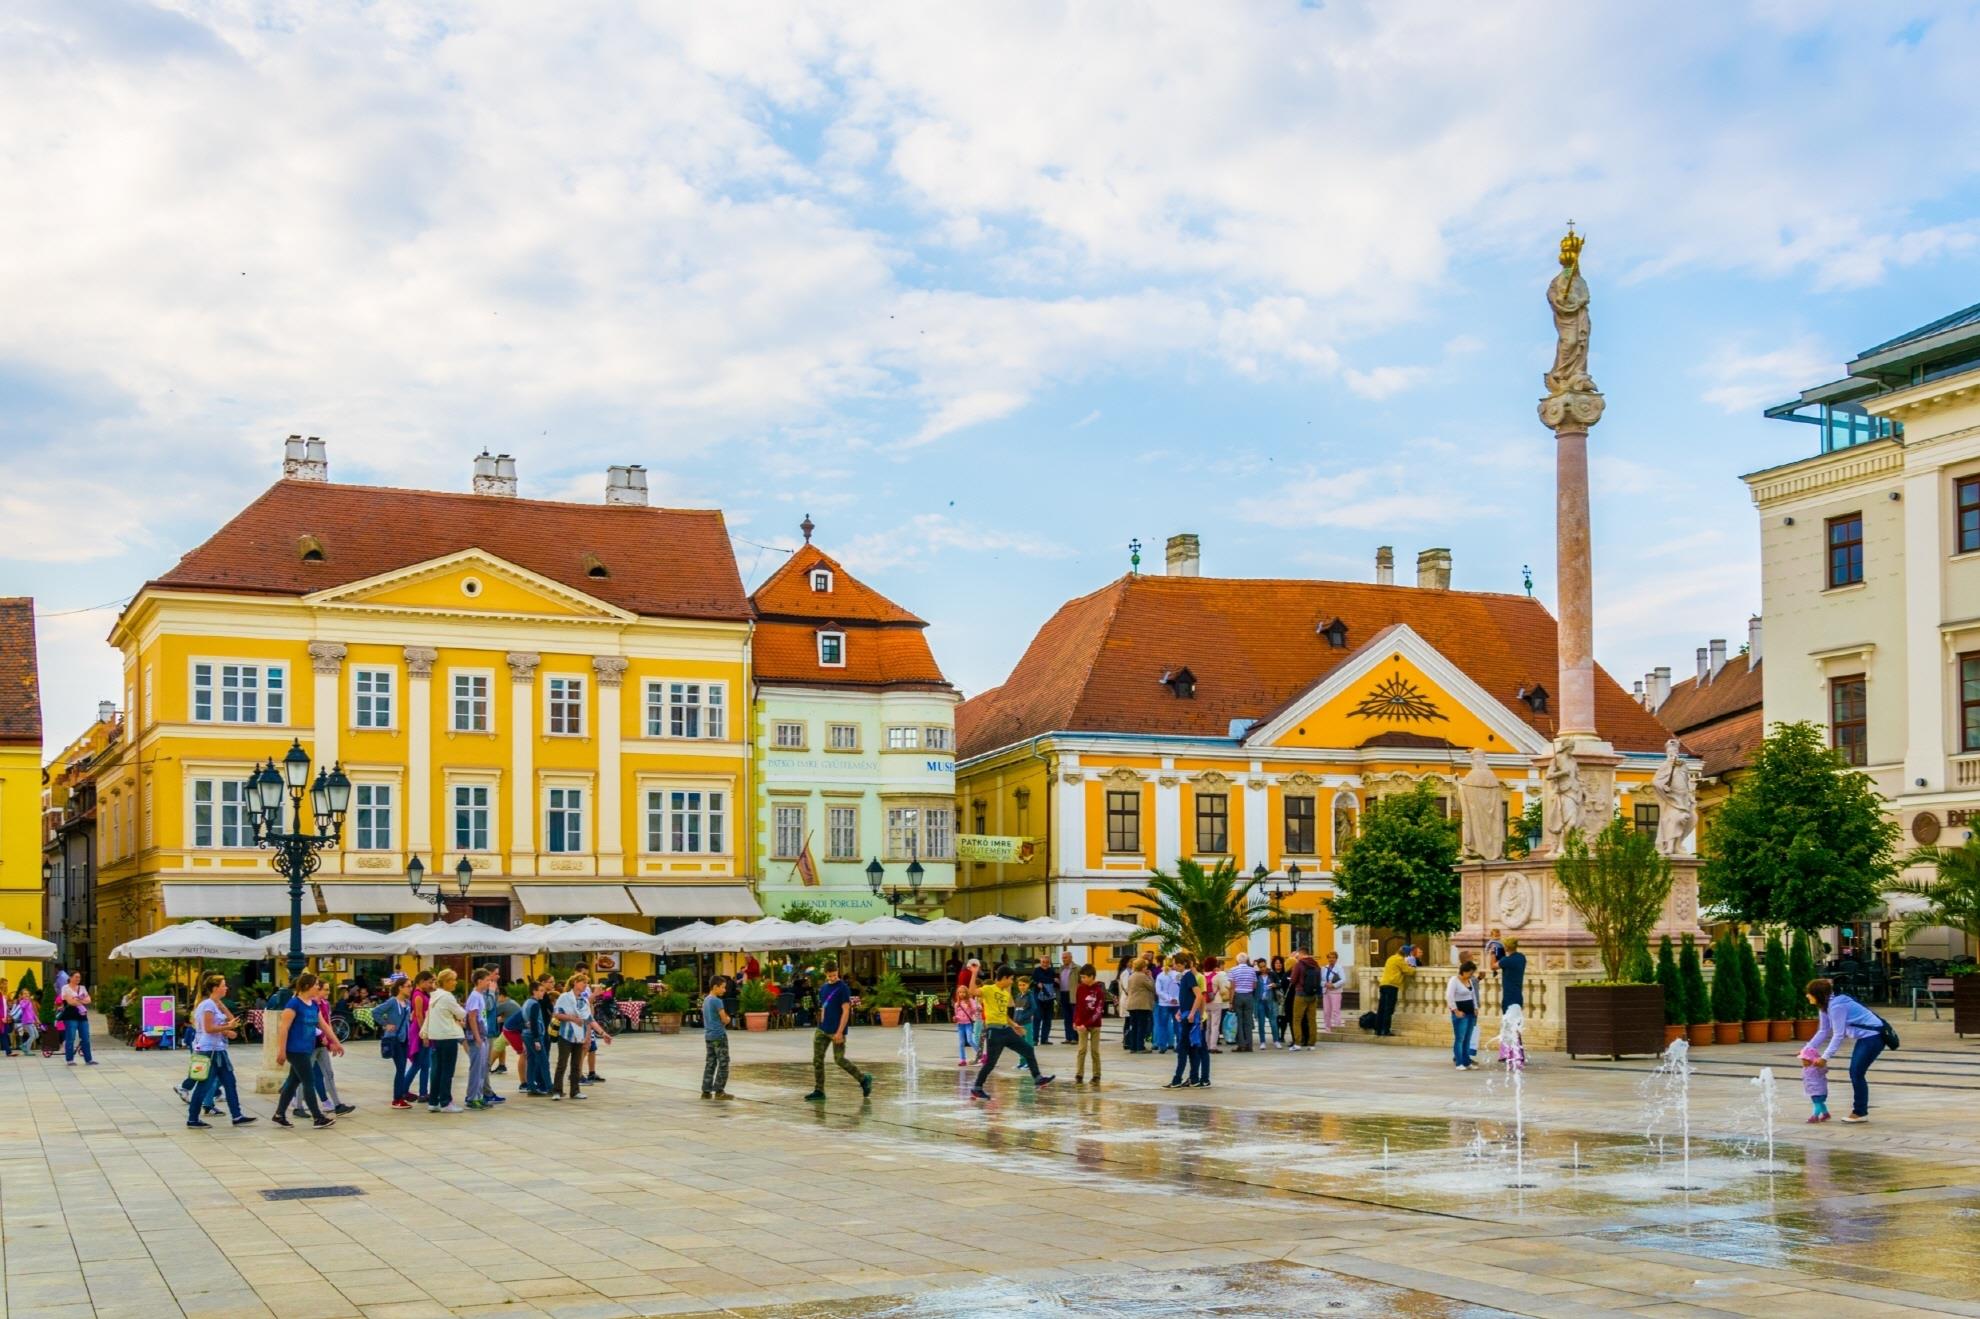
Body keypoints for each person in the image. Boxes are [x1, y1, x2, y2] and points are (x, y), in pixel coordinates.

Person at [1806, 977, 1887, 1123]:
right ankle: (1860, 1111)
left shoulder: (1836, 1006)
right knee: (1856, 1072)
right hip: (1866, 1038)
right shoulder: (1824, 1006)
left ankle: (1860, 1112)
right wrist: (1807, 1049)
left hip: (1874, 1037)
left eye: (1809, 993)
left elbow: (1838, 1034)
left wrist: (1825, 1057)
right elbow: (1823, 1031)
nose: (1807, 995)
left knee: (1856, 1072)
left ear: (1817, 994)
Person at [970, 965, 1052, 1099]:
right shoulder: (988, 989)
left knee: (1028, 1049)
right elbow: (972, 991)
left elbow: (1003, 1015)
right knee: (990, 1063)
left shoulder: (1005, 993)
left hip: (1006, 1030)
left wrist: (1014, 1025)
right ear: (1004, 978)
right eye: (1011, 979)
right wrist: (974, 973)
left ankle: (1038, 1078)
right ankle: (977, 1087)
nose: (1012, 982)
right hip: (994, 1031)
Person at [186, 973, 254, 1128]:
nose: (227, 988)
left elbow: (232, 1021)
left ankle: (237, 1115)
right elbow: (208, 1028)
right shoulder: (207, 1005)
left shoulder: (215, 1004)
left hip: (219, 1050)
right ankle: (192, 1118)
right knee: (204, 1085)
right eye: (224, 985)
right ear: (215, 988)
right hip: (209, 1051)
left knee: (230, 1082)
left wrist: (224, 1016)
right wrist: (227, 1028)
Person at [805, 962, 872, 1102]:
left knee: (839, 1059)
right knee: (817, 1060)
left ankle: (863, 1079)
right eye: (830, 975)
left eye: (834, 975)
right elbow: (824, 1006)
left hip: (837, 1030)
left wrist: (840, 1032)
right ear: (826, 974)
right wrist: (821, 1020)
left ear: (838, 972)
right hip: (822, 1029)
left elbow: (846, 1010)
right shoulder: (823, 988)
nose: (833, 978)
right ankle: (819, 1090)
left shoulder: (843, 988)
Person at [273, 973, 333, 1128]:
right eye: (316, 985)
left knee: (293, 1082)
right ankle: (318, 1117)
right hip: (295, 1050)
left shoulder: (313, 1005)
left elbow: (324, 1025)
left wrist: (336, 1042)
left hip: (306, 1048)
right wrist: (281, 1051)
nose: (318, 988)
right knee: (309, 1081)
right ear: (307, 986)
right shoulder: (293, 1004)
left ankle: (279, 1114)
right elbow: (283, 1029)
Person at [423, 967, 468, 1113]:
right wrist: (460, 1010)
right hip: (448, 1036)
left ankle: (433, 1101)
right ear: (447, 982)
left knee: (436, 1070)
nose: (455, 983)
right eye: (454, 980)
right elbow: (461, 1013)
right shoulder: (447, 996)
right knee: (447, 1071)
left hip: (436, 1036)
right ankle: (446, 1102)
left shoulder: (434, 996)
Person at [306, 979, 353, 1117]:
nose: (328, 992)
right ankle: (298, 1105)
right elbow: (313, 1024)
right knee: (303, 1076)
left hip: (322, 1044)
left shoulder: (325, 1004)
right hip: (312, 1044)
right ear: (318, 990)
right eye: (325, 989)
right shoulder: (311, 1004)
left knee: (328, 1074)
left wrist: (332, 1041)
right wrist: (324, 1038)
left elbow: (327, 1024)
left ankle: (337, 1104)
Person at [1165, 953, 1208, 1088]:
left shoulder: (1188, 976)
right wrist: (1181, 1010)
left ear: (1182, 964)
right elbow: (1187, 997)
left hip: (1189, 1017)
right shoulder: (1185, 977)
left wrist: (1192, 1013)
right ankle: (1194, 1078)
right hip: (1186, 1014)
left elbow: (1199, 996)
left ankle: (1177, 1079)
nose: (1174, 966)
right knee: (1192, 1048)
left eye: (1176, 964)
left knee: (1182, 1048)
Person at [462, 966, 500, 1110]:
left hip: (482, 1036)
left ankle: (479, 1096)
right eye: (487, 980)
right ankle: (472, 1097)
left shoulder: (480, 996)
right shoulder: (474, 996)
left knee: (482, 1068)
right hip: (476, 1037)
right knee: (476, 1068)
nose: (489, 983)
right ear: (479, 981)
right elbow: (472, 1017)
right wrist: (477, 1037)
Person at [552, 972, 593, 1101]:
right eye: (583, 982)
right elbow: (557, 1014)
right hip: (566, 1034)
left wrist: (587, 1037)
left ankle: (575, 1091)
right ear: (575, 983)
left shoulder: (583, 1000)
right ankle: (557, 1090)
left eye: (586, 983)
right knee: (562, 1063)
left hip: (579, 1036)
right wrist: (571, 1018)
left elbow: (588, 1020)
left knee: (577, 1064)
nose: (585, 985)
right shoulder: (564, 997)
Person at [377, 977, 414, 1108]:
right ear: (400, 988)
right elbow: (376, 1012)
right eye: (408, 986)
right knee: (400, 1068)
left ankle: (400, 1095)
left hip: (404, 1039)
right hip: (394, 1038)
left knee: (402, 1068)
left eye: (411, 986)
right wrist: (386, 1024)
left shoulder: (408, 1003)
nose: (410, 988)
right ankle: (397, 1098)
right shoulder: (392, 1002)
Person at [520, 974, 555, 1096]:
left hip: (526, 1034)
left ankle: (531, 1087)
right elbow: (534, 1022)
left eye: (543, 991)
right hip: (534, 1036)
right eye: (540, 991)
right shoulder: (535, 1004)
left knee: (531, 1061)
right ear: (534, 991)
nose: (542, 993)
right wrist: (536, 1039)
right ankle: (550, 1087)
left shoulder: (527, 1002)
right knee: (544, 1061)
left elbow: (524, 1019)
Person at [1072, 964, 1107, 1084]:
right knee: (1082, 1049)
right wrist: (1076, 1021)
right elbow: (1078, 1006)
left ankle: (1096, 1074)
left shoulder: (1099, 991)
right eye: (1081, 977)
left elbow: (1098, 1011)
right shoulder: (1080, 988)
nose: (1083, 980)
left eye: (1085, 977)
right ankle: (1079, 1074)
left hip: (1094, 1024)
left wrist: (1085, 1024)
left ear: (1092, 977)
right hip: (1081, 1024)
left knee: (1094, 1051)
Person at [702, 974, 734, 1100]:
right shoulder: (717, 1001)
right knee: (723, 1062)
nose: (724, 990)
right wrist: (728, 1019)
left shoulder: (706, 1000)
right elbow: (724, 1019)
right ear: (715, 987)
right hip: (719, 1036)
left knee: (710, 1062)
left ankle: (706, 1090)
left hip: (709, 1036)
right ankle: (719, 1091)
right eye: (723, 987)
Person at [1376, 944, 1415, 1037]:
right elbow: (1409, 971)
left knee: (1381, 1008)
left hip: (1383, 984)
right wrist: (1413, 968)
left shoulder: (1391, 958)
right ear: (1406, 954)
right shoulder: (1400, 960)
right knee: (1388, 1009)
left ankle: (1378, 1030)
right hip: (1391, 986)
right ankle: (1386, 1030)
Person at [406, 971, 433, 1103]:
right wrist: (424, 1035)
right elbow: (419, 1015)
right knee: (417, 1063)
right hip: (419, 1031)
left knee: (426, 1064)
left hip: (423, 1030)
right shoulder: (418, 995)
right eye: (429, 982)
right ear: (422, 981)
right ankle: (403, 1089)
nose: (431, 984)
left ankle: (423, 1092)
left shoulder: (422, 994)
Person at [1447, 960, 1479, 1070]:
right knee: (1460, 1038)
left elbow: (1473, 995)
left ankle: (1467, 1061)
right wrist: (1455, 1011)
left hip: (1470, 1012)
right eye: (1470, 973)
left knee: (1468, 1038)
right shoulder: (1454, 980)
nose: (1471, 975)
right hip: (1461, 1013)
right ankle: (1459, 1062)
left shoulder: (1469, 981)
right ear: (1463, 971)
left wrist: (1475, 1007)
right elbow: (1449, 997)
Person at [58, 975, 94, 1065]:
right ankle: (70, 1059)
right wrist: (81, 999)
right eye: (76, 977)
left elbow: (89, 1000)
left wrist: (78, 1000)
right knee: (71, 1038)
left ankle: (88, 1059)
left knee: (86, 1037)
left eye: (79, 977)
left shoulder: (82, 987)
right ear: (70, 977)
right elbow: (70, 1002)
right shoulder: (65, 988)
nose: (78, 979)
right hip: (70, 1015)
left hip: (82, 1015)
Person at [1288, 951, 1321, 1049]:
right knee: (1312, 1020)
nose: (1297, 957)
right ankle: (1312, 1044)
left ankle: (1297, 1043)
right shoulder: (1316, 964)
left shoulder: (1299, 965)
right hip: (1313, 995)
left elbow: (1293, 980)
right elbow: (1319, 980)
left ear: (1302, 954)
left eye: (1298, 955)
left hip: (1300, 994)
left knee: (1297, 1019)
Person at [1122, 958, 1155, 1053]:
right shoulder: (1142, 976)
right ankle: (1140, 1047)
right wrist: (1150, 977)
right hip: (1142, 1004)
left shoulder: (1131, 976)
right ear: (1142, 967)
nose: (1146, 968)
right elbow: (1152, 987)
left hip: (1132, 1004)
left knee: (1134, 1025)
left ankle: (1133, 1047)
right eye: (1145, 966)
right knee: (1142, 1026)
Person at [1227, 955, 1259, 1052]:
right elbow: (1254, 986)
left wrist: (1230, 1001)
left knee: (1239, 1021)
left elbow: (1232, 987)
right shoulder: (1252, 970)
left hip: (1238, 996)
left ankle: (1241, 1045)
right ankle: (1249, 1045)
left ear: (1237, 961)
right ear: (1247, 960)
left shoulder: (1233, 970)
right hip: (1249, 996)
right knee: (1248, 1021)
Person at [1027, 956, 1059, 1046]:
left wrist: (1049, 980)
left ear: (1049, 963)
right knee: (1037, 1018)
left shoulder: (1052, 971)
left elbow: (1055, 981)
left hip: (1049, 998)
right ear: (1040, 962)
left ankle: (1045, 1039)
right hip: (1038, 997)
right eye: (1043, 962)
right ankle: (1035, 1039)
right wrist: (1039, 982)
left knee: (1048, 1019)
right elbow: (1033, 981)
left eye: (1047, 962)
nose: (1045, 964)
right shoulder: (1036, 971)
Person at [1153, 956, 1180, 1053]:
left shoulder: (1160, 975)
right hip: (1177, 1004)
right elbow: (1182, 988)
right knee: (1178, 1025)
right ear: (1174, 964)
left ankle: (1162, 1046)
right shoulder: (1178, 975)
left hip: (1163, 1003)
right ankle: (1179, 1045)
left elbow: (1158, 991)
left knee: (1162, 1025)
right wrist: (1175, 999)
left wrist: (1168, 999)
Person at [1202, 957, 1228, 1054]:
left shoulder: (1202, 975)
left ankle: (1206, 1045)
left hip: (1205, 1003)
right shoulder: (1217, 976)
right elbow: (1223, 989)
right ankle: (1213, 1046)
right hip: (1216, 1002)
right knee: (1215, 1025)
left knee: (1207, 1026)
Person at [1496, 939, 1527, 1020]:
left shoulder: (1507, 960)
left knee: (1508, 1022)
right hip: (1518, 995)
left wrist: (1493, 953)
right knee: (1517, 1022)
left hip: (1509, 996)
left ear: (1506, 948)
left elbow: (1492, 966)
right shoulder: (1521, 957)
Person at [952, 983, 981, 1067]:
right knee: (961, 1043)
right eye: (959, 992)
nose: (961, 994)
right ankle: (962, 1059)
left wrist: (976, 1008)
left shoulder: (971, 1001)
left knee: (970, 1040)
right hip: (960, 1024)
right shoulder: (957, 1004)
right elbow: (956, 1014)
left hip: (968, 1023)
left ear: (966, 993)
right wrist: (955, 1018)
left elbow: (975, 1010)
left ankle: (981, 1055)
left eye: (963, 992)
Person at [1319, 950, 1347, 1033]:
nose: (1331, 959)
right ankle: (1327, 1028)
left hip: (1336, 992)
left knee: (1335, 1010)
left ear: (1336, 959)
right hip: (1326, 991)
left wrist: (1334, 985)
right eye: (1330, 957)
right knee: (1326, 1011)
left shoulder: (1339, 968)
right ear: (1327, 958)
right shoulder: (1324, 968)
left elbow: (1343, 980)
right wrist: (1325, 984)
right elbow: (1320, 980)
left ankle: (1337, 1028)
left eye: (1333, 958)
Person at [1058, 951, 1079, 1044]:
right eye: (1063, 958)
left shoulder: (1077, 968)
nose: (1063, 959)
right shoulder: (1061, 968)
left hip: (1073, 995)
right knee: (1066, 1017)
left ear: (1071, 958)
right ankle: (1068, 1037)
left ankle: (1075, 1037)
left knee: (1074, 1017)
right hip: (1063, 994)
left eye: (1065, 957)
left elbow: (1081, 982)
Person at [13, 985, 40, 1055]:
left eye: (27, 993)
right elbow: (23, 1007)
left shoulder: (29, 1002)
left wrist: (37, 1019)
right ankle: (27, 1051)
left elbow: (32, 1012)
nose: (27, 995)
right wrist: (28, 1001)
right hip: (26, 1022)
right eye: (24, 994)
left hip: (31, 1021)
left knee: (36, 1035)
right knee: (32, 1035)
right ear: (22, 996)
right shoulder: (22, 1002)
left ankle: (23, 1045)